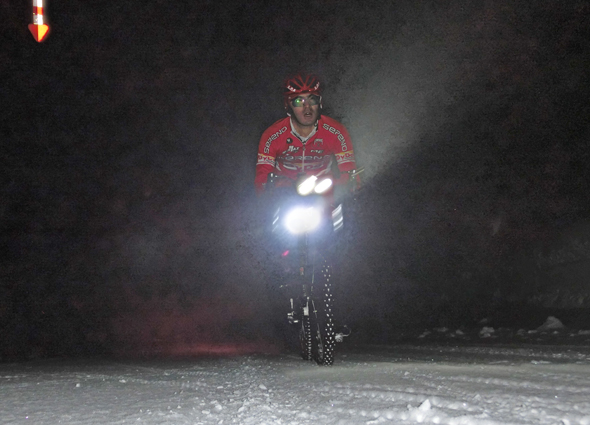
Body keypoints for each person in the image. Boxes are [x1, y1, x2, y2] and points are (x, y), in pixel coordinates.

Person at [254, 73, 359, 194]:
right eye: (299, 101)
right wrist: (263, 200)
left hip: (324, 190)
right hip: (284, 193)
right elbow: (262, 176)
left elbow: (350, 172)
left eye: (312, 99)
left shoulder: (336, 131)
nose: (307, 107)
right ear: (288, 105)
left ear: (320, 103)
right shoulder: (272, 135)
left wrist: (352, 192)